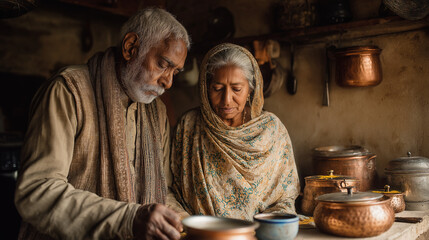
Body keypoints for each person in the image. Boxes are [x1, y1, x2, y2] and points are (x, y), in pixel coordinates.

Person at [14, 8, 190, 240]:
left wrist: (189, 223)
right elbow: (37, 191)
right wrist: (129, 219)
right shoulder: (68, 91)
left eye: (175, 71)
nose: (168, 82)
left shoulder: (157, 113)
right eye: (162, 64)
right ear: (130, 47)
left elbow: (162, 191)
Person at [168, 43, 300, 220]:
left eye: (237, 89)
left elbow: (285, 197)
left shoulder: (271, 130)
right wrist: (184, 220)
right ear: (206, 87)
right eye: (217, 88)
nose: (226, 99)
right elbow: (170, 188)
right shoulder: (190, 126)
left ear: (251, 89)